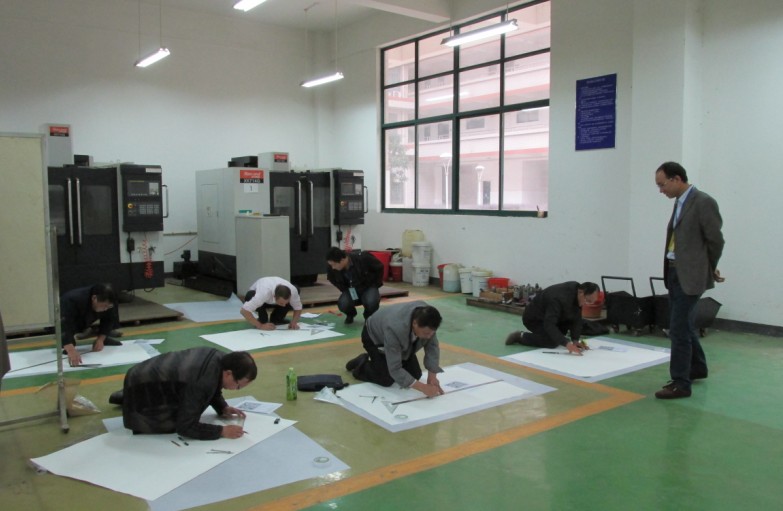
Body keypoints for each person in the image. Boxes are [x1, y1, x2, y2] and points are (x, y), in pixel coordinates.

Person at [653, 161, 724, 399]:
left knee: (678, 329)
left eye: (662, 185)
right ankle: (697, 368)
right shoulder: (679, 202)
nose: (661, 190)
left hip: (690, 275)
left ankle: (681, 384)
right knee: (684, 324)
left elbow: (715, 240)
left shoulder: (703, 202)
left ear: (676, 179)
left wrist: (709, 266)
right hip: (674, 272)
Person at [116, 347, 257, 440]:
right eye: (238, 386)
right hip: (141, 394)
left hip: (142, 377)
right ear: (228, 373)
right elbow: (185, 427)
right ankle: (130, 401)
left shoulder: (219, 358)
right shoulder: (201, 382)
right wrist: (221, 431)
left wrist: (223, 407)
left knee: (191, 401)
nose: (236, 389)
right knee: (174, 424)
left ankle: (127, 396)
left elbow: (213, 386)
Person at [345, 301, 444, 397]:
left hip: (400, 338)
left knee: (415, 375)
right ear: (415, 323)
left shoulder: (427, 316)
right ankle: (361, 365)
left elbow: (432, 347)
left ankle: (379, 362)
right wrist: (423, 388)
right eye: (426, 333)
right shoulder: (395, 328)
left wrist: (432, 376)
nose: (429, 337)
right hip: (374, 337)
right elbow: (395, 368)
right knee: (386, 378)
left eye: (432, 333)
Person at [505, 281, 600, 355]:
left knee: (560, 335)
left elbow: (576, 318)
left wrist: (575, 340)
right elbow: (549, 324)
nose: (587, 304)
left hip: (552, 316)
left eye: (591, 302)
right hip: (534, 318)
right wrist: (567, 344)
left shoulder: (577, 293)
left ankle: (549, 336)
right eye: (587, 301)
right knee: (552, 342)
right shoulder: (559, 299)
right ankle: (520, 336)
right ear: (581, 292)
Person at [60, 283, 122, 367]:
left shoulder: (109, 302)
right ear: (94, 298)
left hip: (89, 314)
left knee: (110, 315)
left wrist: (101, 339)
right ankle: (85, 332)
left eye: (109, 306)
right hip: (71, 317)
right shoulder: (71, 300)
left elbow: (109, 320)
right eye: (105, 306)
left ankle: (99, 334)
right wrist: (70, 349)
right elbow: (64, 325)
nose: (106, 308)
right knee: (66, 343)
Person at [326, 247, 384, 324]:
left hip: (368, 286)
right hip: (350, 289)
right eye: (331, 265)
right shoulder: (333, 267)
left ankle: (368, 316)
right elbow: (331, 278)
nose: (333, 267)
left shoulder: (363, 258)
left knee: (372, 301)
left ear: (342, 260)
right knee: (343, 303)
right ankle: (351, 314)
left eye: (334, 265)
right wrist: (344, 289)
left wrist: (374, 285)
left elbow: (380, 267)